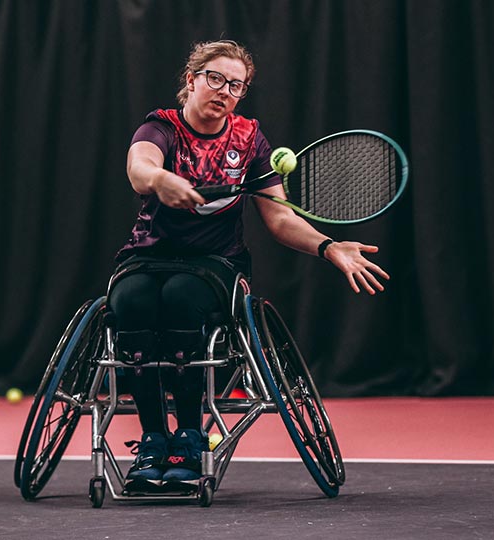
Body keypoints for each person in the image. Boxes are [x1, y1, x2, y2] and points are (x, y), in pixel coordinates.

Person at [109, 40, 390, 491]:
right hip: (149, 256)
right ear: (192, 80)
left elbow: (279, 218)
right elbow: (140, 166)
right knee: (131, 302)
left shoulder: (249, 140)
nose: (224, 90)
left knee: (182, 298)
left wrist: (329, 247)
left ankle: (189, 437)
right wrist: (161, 180)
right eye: (215, 79)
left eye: (236, 85)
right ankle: (153, 439)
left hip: (214, 264)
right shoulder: (160, 128)